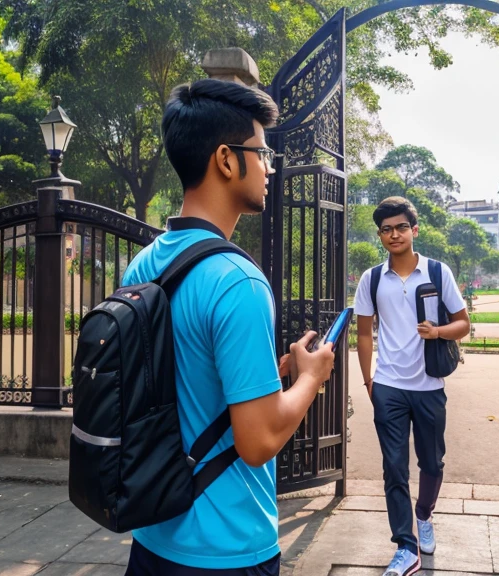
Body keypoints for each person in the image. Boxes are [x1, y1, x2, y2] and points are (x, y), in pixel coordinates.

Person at [121, 78, 336, 575]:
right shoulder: (238, 281)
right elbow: (257, 442)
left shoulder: (146, 263)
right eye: (261, 154)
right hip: (227, 547)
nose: (267, 168)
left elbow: (182, 375)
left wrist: (274, 370)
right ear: (225, 159)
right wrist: (311, 376)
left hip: (154, 531)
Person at [353, 197, 471, 576]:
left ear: (414, 230)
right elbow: (365, 334)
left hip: (429, 385)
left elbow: (463, 324)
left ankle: (424, 515)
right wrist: (369, 380)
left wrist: (436, 332)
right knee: (393, 467)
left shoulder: (437, 273)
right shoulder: (372, 279)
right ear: (380, 235)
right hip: (388, 385)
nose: (394, 234)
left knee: (432, 461)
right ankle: (405, 546)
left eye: (401, 227)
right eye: (386, 229)